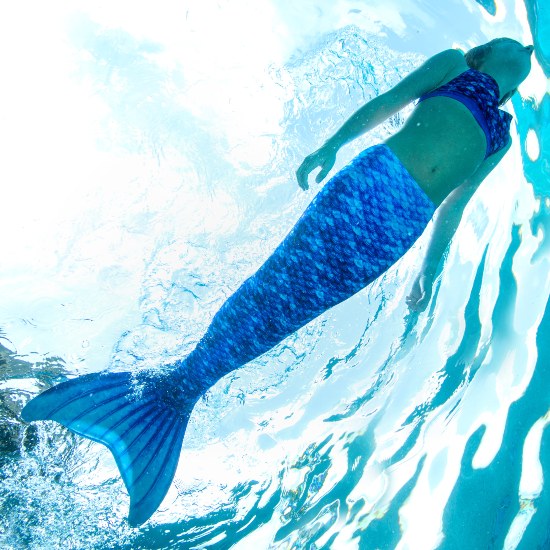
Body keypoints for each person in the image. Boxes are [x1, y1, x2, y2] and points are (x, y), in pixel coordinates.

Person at [21, 37, 534, 526]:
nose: (526, 49)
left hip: (398, 230)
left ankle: (172, 398)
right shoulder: (455, 66)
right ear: (486, 53)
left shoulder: (502, 137)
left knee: (289, 314)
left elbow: (455, 208)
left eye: (528, 52)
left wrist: (429, 276)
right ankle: (171, 389)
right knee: (274, 285)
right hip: (370, 183)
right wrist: (331, 145)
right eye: (517, 44)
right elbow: (388, 102)